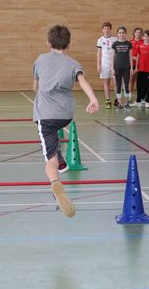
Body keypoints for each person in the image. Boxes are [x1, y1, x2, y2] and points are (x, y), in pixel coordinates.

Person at [33, 25, 99, 217]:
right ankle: (61, 161)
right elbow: (83, 81)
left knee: (49, 160)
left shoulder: (40, 60)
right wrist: (93, 99)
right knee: (54, 139)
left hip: (45, 115)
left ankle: (55, 186)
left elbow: (35, 86)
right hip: (65, 115)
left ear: (48, 43)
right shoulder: (73, 63)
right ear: (68, 44)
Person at [111, 26, 134, 110]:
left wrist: (131, 68)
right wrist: (112, 69)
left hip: (126, 67)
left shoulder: (128, 44)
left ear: (125, 33)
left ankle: (127, 103)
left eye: (123, 32)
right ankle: (120, 104)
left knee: (126, 86)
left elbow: (130, 56)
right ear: (117, 34)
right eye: (120, 32)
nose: (121, 34)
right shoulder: (115, 44)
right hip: (117, 67)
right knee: (118, 85)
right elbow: (112, 57)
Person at [97, 22, 117, 109]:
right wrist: (98, 65)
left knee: (117, 82)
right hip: (104, 64)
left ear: (110, 29)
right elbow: (98, 53)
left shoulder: (115, 39)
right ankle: (108, 100)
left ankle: (117, 100)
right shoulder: (100, 40)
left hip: (114, 63)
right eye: (105, 28)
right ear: (102, 30)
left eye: (108, 28)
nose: (106, 30)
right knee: (106, 82)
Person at [136, 30, 149, 108]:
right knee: (139, 85)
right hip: (141, 69)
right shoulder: (139, 46)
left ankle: (147, 101)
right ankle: (138, 100)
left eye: (148, 36)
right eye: (145, 36)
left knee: (148, 85)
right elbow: (138, 57)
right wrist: (137, 67)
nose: (146, 38)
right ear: (143, 37)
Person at [129, 27, 143, 106]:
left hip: (141, 65)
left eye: (139, 33)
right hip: (132, 65)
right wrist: (133, 58)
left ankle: (139, 99)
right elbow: (128, 54)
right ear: (134, 33)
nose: (138, 34)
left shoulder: (143, 42)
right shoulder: (130, 42)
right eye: (137, 32)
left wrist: (139, 59)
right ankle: (129, 98)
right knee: (131, 81)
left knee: (140, 82)